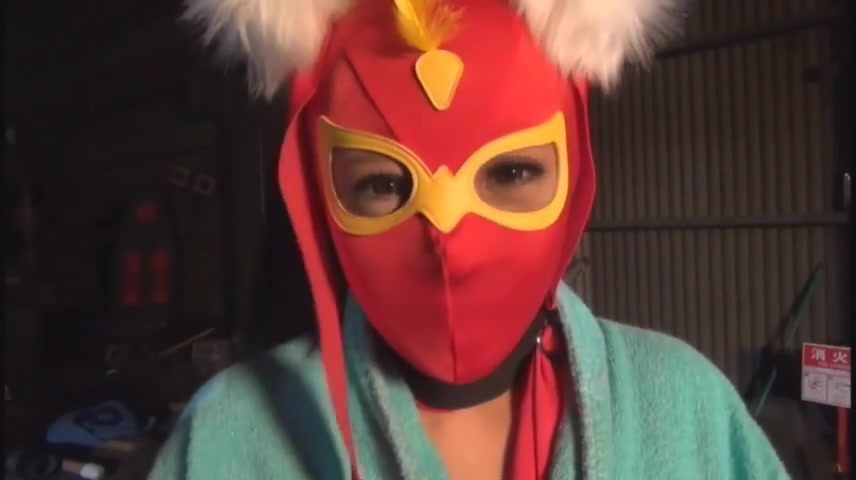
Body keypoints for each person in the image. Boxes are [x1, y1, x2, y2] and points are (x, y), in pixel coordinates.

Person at [149, 0, 790, 478]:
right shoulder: (229, 436)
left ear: (574, 173)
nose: (447, 235)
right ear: (319, 193)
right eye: (383, 184)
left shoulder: (687, 408)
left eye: (511, 173)